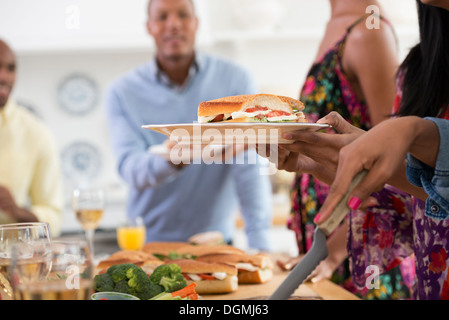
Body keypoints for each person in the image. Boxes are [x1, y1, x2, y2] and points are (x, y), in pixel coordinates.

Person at [271, 0, 449, 300]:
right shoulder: (421, 68)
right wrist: (323, 161)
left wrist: (416, 132)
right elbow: (424, 206)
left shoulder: (371, 30)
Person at [104, 0, 273, 251]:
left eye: (183, 15)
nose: (173, 24)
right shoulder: (122, 92)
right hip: (150, 246)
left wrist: (261, 246)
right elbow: (129, 167)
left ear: (196, 24)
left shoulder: (235, 80)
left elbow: (249, 165)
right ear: (149, 27)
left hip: (215, 244)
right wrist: (171, 159)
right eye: (162, 17)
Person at [0, 39, 63, 236]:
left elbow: (53, 218)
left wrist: (16, 211)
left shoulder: (36, 133)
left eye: (10, 68)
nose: (4, 76)